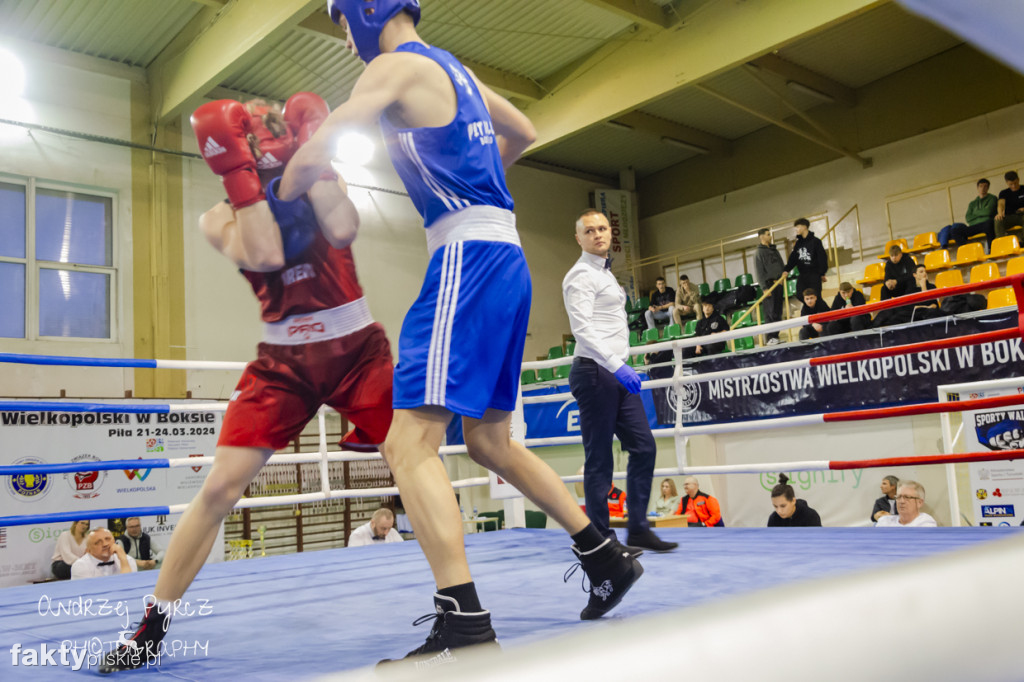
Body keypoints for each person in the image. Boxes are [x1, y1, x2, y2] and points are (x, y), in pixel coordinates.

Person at [280, 2, 644, 663]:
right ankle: (606, 555)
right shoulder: (459, 71)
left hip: (467, 260)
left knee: (407, 444)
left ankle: (464, 620)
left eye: (341, 21)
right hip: (505, 257)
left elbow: (326, 144)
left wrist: (280, 180)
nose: (343, 37)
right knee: (490, 440)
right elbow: (524, 130)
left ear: (367, 11)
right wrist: (478, 186)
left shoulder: (393, 66)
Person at [99, 92, 395, 673]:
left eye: (268, 123)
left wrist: (318, 159)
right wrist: (240, 176)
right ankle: (151, 627)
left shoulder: (314, 180)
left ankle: (461, 608)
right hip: (284, 362)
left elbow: (343, 226)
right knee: (217, 490)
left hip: (356, 347)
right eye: (248, 129)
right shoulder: (218, 217)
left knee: (415, 462)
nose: (261, 131)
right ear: (233, 143)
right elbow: (263, 252)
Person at [564, 208, 677, 555]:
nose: (598, 234)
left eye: (602, 228)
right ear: (579, 238)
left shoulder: (606, 274)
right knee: (599, 459)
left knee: (644, 447)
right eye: (590, 230)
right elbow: (582, 329)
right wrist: (617, 364)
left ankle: (639, 527)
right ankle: (600, 542)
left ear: (611, 234)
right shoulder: (580, 275)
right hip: (597, 372)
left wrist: (622, 362)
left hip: (614, 371)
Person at [939, 178, 997, 250]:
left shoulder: (992, 198)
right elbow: (968, 218)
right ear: (977, 188)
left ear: (988, 188)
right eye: (981, 186)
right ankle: (966, 250)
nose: (983, 188)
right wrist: (982, 214)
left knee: (989, 223)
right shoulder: (972, 203)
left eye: (985, 186)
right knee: (955, 230)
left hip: (987, 224)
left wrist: (975, 214)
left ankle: (991, 249)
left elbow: (988, 212)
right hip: (974, 226)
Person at [781, 218, 828, 299]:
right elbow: (793, 258)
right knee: (800, 295)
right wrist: (787, 269)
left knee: (816, 298)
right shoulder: (798, 243)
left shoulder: (816, 241)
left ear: (805, 227)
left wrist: (822, 273)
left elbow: (822, 258)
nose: (796, 229)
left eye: (798, 227)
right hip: (803, 275)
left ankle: (824, 310)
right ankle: (811, 309)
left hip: (814, 274)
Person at [754, 228, 785, 344]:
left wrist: (782, 275)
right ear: (761, 237)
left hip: (778, 283)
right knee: (770, 313)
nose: (770, 236)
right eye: (768, 235)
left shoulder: (774, 250)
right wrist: (764, 288)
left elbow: (781, 264)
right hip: (769, 284)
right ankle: (770, 338)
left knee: (778, 312)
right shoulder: (758, 253)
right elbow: (759, 271)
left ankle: (776, 336)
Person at [71, 529, 137, 580]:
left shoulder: (128, 560)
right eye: (98, 542)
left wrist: (123, 560)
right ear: (88, 550)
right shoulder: (80, 566)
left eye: (108, 539)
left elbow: (129, 587)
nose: (105, 544)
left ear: (114, 541)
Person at [995, 170, 1024, 238]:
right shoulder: (1004, 193)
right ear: (1007, 183)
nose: (1013, 186)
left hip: (1022, 216)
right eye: (1011, 184)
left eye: (1015, 183)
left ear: (1018, 180)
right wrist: (1000, 213)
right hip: (1010, 216)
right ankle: (1002, 242)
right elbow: (1001, 204)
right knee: (998, 220)